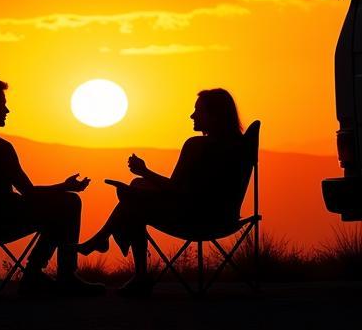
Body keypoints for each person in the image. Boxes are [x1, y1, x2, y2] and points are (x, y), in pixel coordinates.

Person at [0, 77, 104, 298]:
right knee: (68, 204)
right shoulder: (0, 148)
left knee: (56, 208)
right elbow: (29, 193)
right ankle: (53, 275)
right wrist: (64, 187)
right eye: (2, 103)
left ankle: (36, 276)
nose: (7, 110)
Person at [77, 88, 249, 296]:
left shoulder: (196, 145)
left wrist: (145, 171)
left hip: (195, 218)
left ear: (214, 115)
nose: (192, 115)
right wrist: (144, 178)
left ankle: (130, 267)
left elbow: (175, 189)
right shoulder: (239, 145)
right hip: (222, 216)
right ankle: (104, 237)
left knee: (133, 201)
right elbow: (190, 191)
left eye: (198, 111)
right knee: (137, 186)